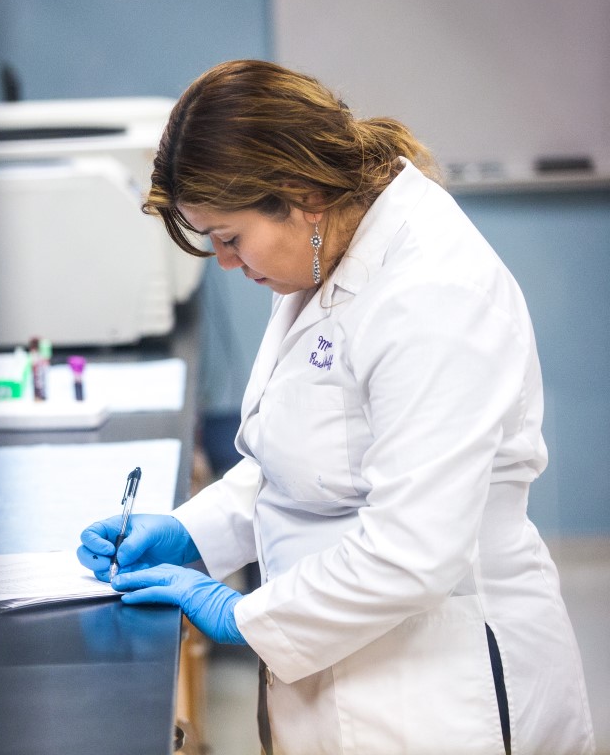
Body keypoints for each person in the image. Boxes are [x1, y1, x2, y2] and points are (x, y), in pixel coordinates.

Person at [77, 60, 595, 755]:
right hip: (339, 665)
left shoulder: (431, 295)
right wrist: (191, 533)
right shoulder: (329, 254)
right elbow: (301, 460)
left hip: (435, 692)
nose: (225, 262)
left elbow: (413, 552)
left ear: (299, 194)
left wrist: (244, 614)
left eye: (228, 237)